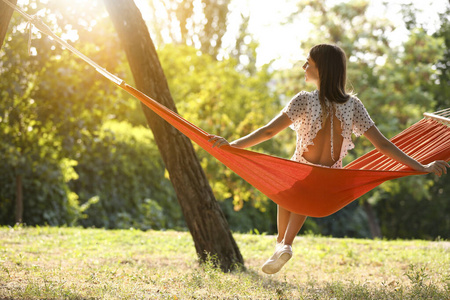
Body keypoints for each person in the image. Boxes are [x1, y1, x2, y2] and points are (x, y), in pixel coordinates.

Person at [208, 44, 449, 274]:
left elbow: (269, 131)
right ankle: (283, 244)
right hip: (328, 180)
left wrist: (234, 146)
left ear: (321, 69)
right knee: (296, 192)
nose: (303, 67)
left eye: (308, 63)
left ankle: (284, 243)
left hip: (300, 173)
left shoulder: (303, 100)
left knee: (285, 189)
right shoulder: (353, 105)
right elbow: (383, 144)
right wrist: (422, 166)